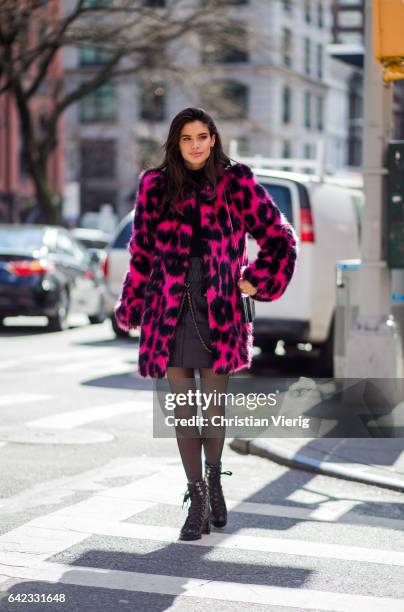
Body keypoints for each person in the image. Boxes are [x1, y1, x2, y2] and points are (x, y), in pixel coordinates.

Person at [115, 107, 298, 541]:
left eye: (203, 136)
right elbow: (140, 251)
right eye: (186, 138)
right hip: (168, 304)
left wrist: (255, 281)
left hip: (219, 304)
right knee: (182, 410)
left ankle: (214, 480)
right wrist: (132, 305)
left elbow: (279, 237)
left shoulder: (237, 181)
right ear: (174, 144)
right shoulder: (155, 186)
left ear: (214, 139)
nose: (196, 145)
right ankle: (196, 498)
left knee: (213, 407)